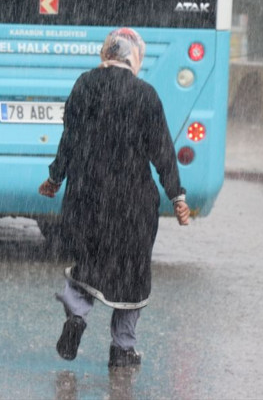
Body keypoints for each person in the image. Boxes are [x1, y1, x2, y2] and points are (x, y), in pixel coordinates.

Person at [38, 27, 190, 368]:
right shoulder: (146, 95)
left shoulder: (84, 85)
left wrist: (54, 178)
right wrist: (177, 196)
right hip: (133, 202)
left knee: (88, 262)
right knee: (132, 273)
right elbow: (163, 152)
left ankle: (77, 315)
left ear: (106, 52)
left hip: (86, 195)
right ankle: (122, 348)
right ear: (134, 57)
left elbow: (69, 140)